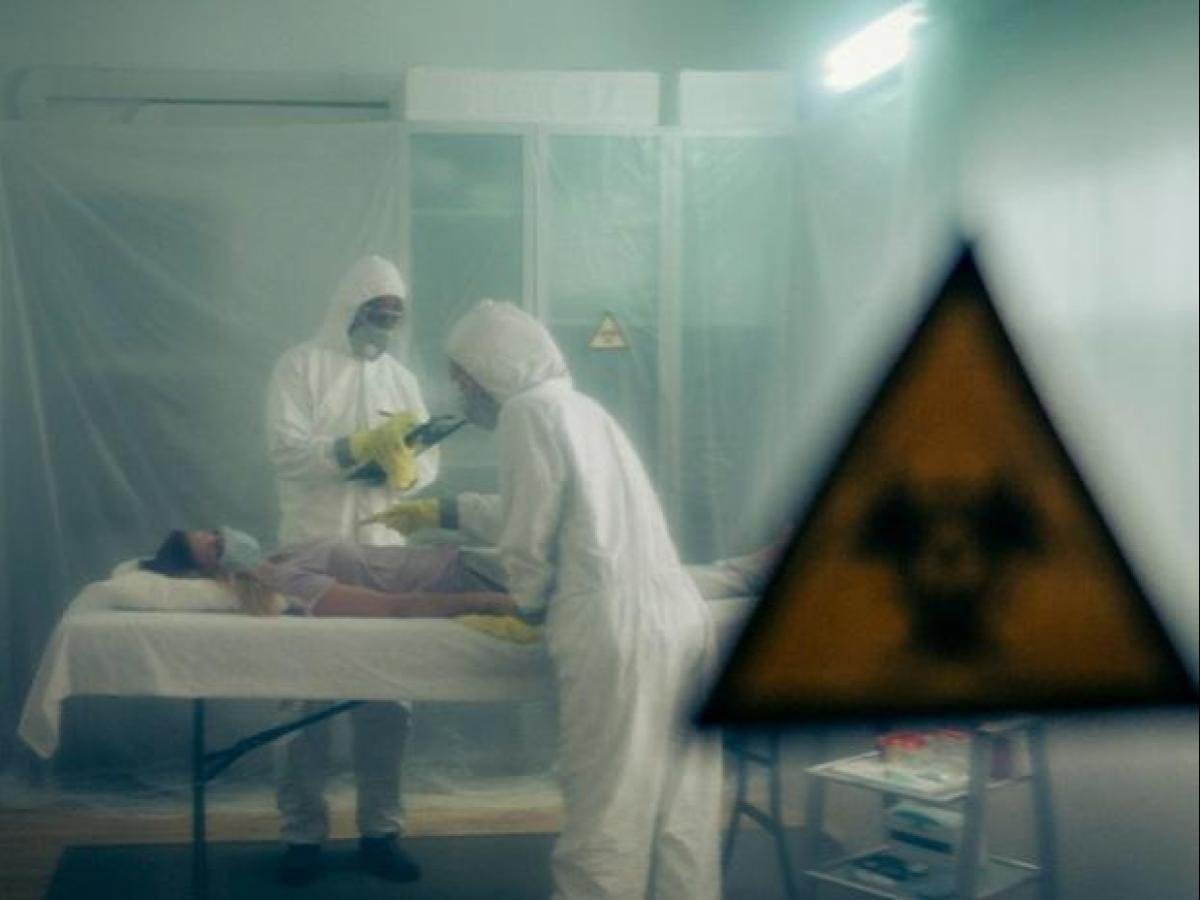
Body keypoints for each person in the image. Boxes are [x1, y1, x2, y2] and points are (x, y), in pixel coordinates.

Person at [370, 300, 723, 900]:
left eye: (465, 376)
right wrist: (446, 510)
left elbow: (530, 529)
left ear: (497, 364)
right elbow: (560, 506)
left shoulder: (526, 413)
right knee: (681, 808)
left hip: (614, 625)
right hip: (682, 617)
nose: (462, 389)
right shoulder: (584, 410)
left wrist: (528, 606)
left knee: (607, 809)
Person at [263, 255, 437, 885]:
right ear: (349, 308)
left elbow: (428, 461)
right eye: (375, 312)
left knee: (387, 702)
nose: (384, 324)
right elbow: (285, 449)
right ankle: (301, 836)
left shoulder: (401, 379)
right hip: (311, 552)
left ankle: (381, 832)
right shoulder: (300, 366)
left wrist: (404, 470)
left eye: (394, 315)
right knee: (301, 701)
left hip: (382, 553)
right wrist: (350, 451)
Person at [141, 527, 516, 621]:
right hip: (471, 580)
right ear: (214, 574)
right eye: (213, 549)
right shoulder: (284, 580)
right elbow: (391, 607)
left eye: (213, 533)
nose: (221, 537)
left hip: (469, 560)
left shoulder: (278, 557)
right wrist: (483, 602)